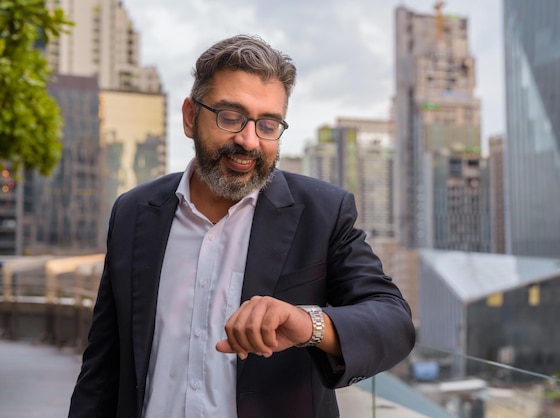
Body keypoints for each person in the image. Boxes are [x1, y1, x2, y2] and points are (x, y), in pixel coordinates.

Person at [68, 34, 415, 418]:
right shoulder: (134, 212)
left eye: (268, 124)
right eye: (230, 117)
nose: (248, 140)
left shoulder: (323, 211)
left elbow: (394, 322)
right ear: (189, 116)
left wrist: (309, 323)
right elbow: (102, 367)